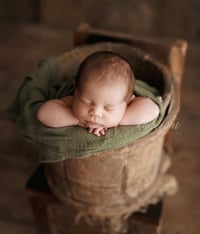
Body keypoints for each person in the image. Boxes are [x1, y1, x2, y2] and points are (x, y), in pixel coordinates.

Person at [37, 51, 159, 136]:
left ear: (126, 103)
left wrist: (119, 120)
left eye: (108, 108)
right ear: (76, 92)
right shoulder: (72, 100)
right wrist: (76, 120)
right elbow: (44, 113)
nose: (95, 113)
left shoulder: (127, 104)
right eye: (87, 102)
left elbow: (153, 109)